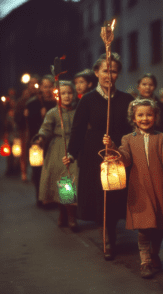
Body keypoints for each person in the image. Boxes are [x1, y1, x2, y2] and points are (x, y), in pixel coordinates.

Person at [62, 53, 134, 260]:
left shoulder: (127, 99)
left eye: (113, 71)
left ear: (118, 74)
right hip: (95, 152)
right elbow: (78, 129)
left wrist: (121, 144)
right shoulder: (87, 100)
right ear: (96, 73)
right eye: (105, 70)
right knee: (102, 197)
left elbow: (132, 128)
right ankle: (108, 238)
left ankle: (113, 231)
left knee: (115, 196)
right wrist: (72, 153)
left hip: (119, 151)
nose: (109, 75)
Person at [103, 99, 163, 278]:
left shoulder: (162, 137)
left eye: (149, 114)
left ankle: (155, 253)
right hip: (139, 187)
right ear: (133, 118)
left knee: (161, 225)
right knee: (144, 226)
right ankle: (145, 261)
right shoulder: (128, 139)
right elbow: (124, 158)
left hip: (160, 186)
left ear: (155, 116)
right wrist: (113, 148)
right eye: (140, 115)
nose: (144, 118)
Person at [33, 81, 79, 231]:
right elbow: (45, 128)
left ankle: (71, 215)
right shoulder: (53, 112)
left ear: (74, 94)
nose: (66, 96)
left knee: (70, 182)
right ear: (57, 96)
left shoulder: (78, 110)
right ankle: (63, 214)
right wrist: (41, 137)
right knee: (62, 182)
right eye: (63, 93)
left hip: (74, 148)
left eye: (69, 93)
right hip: (58, 148)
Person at [25, 75, 56, 207]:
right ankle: (41, 198)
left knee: (53, 171)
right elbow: (28, 124)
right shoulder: (33, 103)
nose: (47, 89)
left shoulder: (57, 103)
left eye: (50, 86)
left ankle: (55, 199)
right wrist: (38, 114)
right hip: (37, 142)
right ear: (41, 88)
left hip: (53, 142)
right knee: (38, 171)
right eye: (45, 86)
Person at [14, 75, 41, 182]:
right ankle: (24, 172)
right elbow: (17, 115)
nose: (33, 85)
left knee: (37, 151)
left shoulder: (40, 98)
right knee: (24, 151)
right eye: (31, 83)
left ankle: (36, 173)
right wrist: (23, 114)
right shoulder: (24, 99)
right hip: (25, 129)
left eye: (36, 83)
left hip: (37, 129)